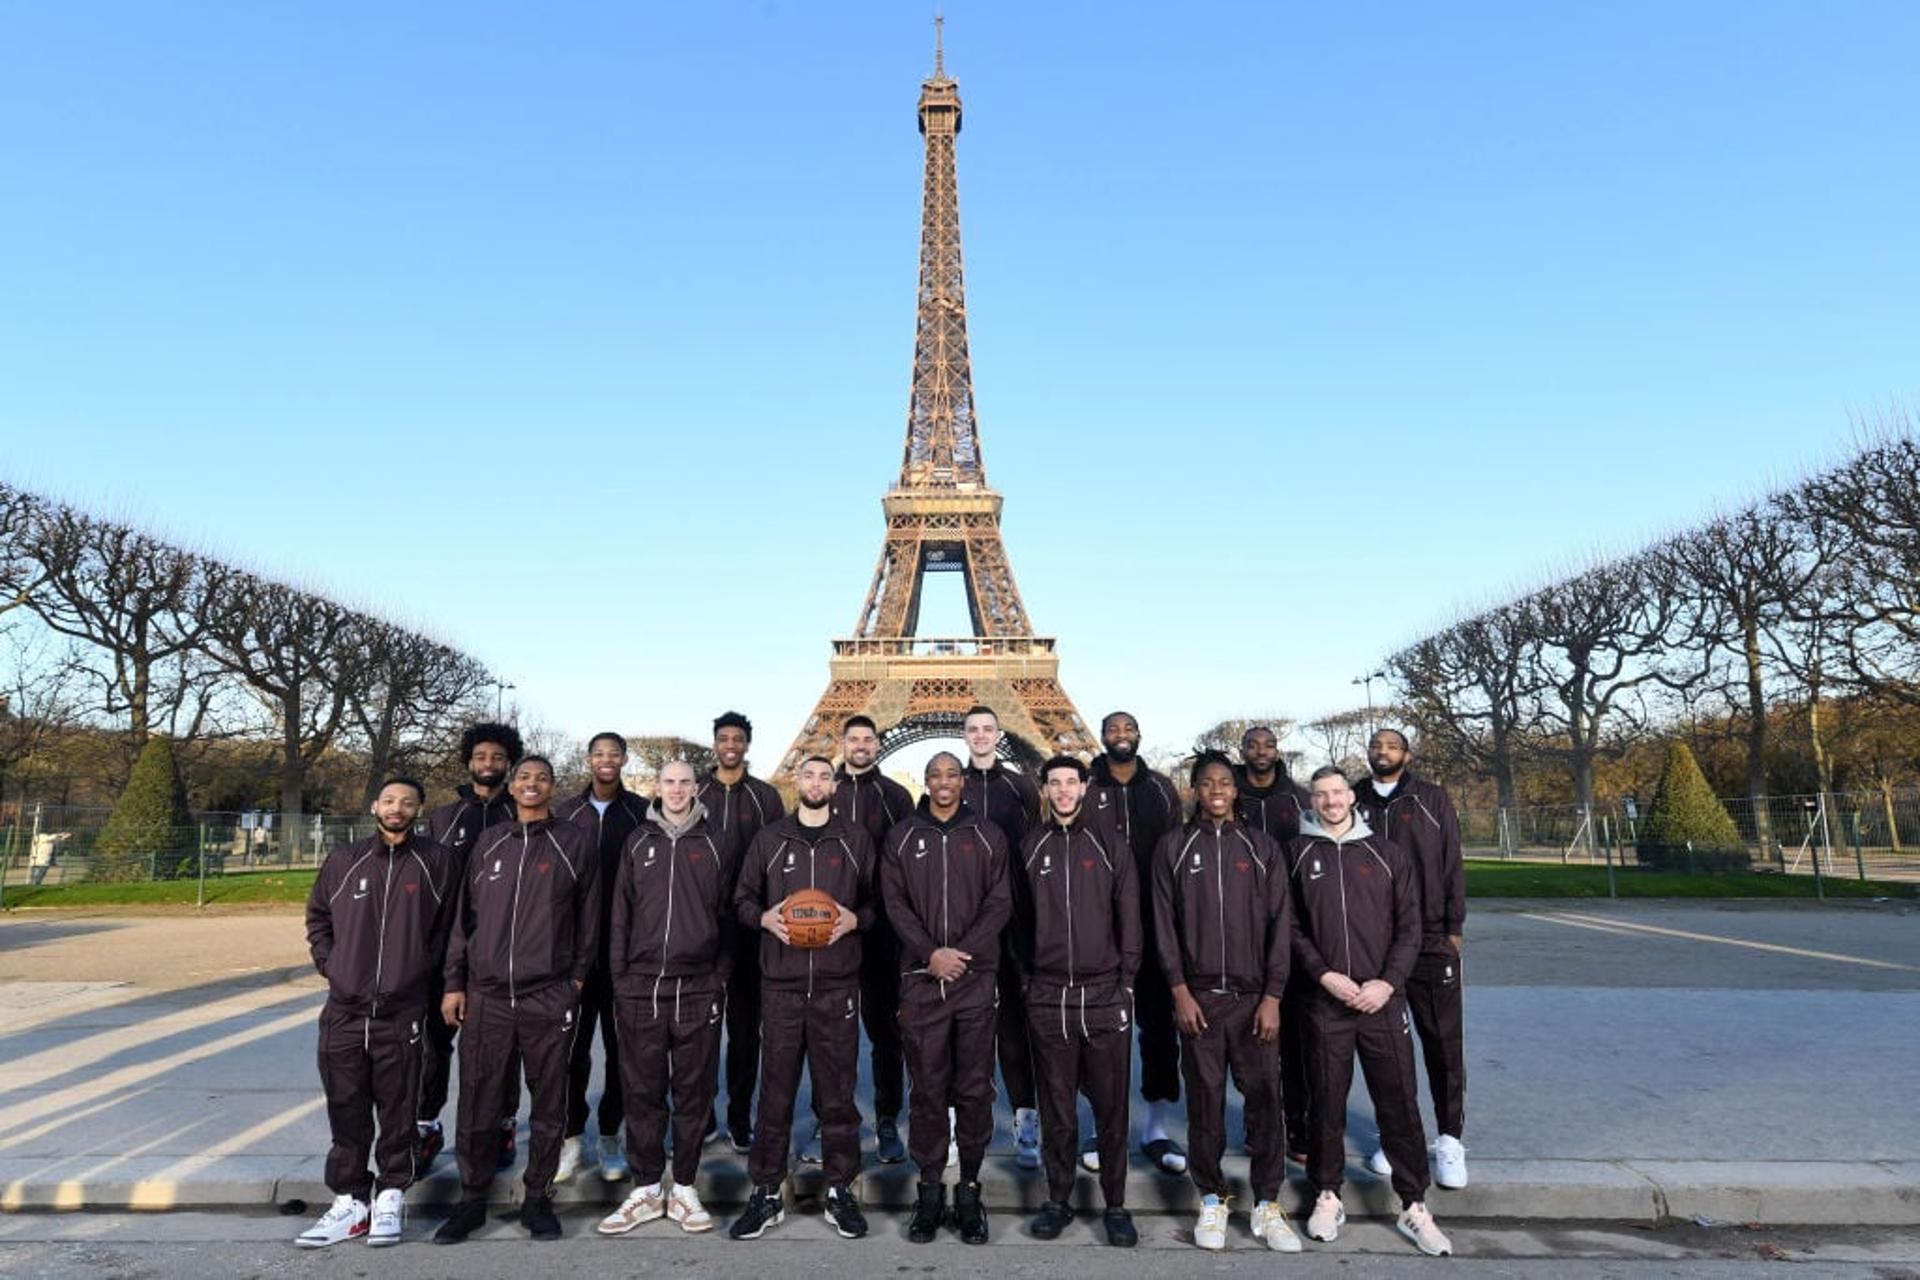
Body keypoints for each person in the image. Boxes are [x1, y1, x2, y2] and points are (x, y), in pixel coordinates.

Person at [434, 757, 601, 1244]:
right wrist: (454, 981)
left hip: (546, 993)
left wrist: (573, 980)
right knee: (478, 1102)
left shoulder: (573, 843)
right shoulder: (490, 842)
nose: (532, 784)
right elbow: (465, 920)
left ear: (552, 787)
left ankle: (537, 1197)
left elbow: (589, 918)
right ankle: (471, 1199)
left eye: (542, 779)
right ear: (512, 785)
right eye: (524, 777)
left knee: (549, 1101)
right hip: (486, 994)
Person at [1290, 766, 1452, 1257]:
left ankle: (1414, 1203)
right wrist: (1324, 975)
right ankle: (1327, 1193)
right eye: (1321, 794)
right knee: (1326, 1102)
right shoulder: (1295, 854)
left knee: (1399, 1101)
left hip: (1382, 1000)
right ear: (1312, 801)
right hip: (1325, 999)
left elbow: (1411, 926)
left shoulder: (1387, 854)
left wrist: (1386, 982)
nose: (1331, 801)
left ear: (1350, 798)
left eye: (1338, 792)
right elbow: (1290, 927)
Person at [297, 778, 456, 1249]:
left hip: (402, 1009)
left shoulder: (437, 862)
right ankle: (351, 1200)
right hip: (344, 1009)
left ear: (419, 809)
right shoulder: (346, 860)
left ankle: (390, 1193)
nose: (397, 808)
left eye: (407, 802)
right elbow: (318, 916)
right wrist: (332, 966)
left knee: (398, 1110)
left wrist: (423, 975)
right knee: (346, 1110)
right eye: (390, 801)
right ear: (375, 806)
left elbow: (448, 930)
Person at [1152, 752, 1298, 1253]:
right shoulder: (1173, 846)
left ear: (1236, 791)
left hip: (1255, 997)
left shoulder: (1261, 848)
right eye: (1207, 782)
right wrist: (1178, 990)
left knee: (1264, 1103)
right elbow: (1162, 927)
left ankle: (1266, 1202)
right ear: (1194, 789)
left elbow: (1282, 925)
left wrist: (1274, 995)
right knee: (1205, 1105)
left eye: (1225, 782)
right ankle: (1211, 1198)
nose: (1216, 789)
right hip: (1199, 1001)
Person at [728, 756, 874, 1242]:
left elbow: (879, 901)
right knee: (775, 1095)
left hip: (836, 986)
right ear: (797, 782)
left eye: (823, 776)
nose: (816, 783)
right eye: (808, 775)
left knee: (838, 1096)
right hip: (782, 985)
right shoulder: (770, 839)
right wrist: (763, 919)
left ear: (835, 785)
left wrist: (857, 920)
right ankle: (767, 1190)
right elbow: (742, 898)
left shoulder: (854, 840)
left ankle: (840, 1188)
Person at [597, 762, 735, 1237]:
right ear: (656, 789)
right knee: (642, 1092)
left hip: (698, 985)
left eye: (684, 783)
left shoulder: (718, 842)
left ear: (697, 790)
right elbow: (620, 914)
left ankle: (687, 1186)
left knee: (695, 1093)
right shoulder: (638, 842)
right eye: (668, 782)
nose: (676, 790)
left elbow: (730, 915)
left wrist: (719, 976)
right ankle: (647, 1186)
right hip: (641, 986)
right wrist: (620, 978)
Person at [883, 752, 1012, 1246]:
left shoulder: (988, 835)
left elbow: (1000, 901)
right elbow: (894, 902)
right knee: (928, 1090)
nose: (943, 782)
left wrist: (961, 955)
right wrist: (929, 953)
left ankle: (971, 1189)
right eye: (935, 775)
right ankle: (931, 1190)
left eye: (951, 775)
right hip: (921, 979)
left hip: (975, 980)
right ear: (927, 780)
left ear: (963, 781)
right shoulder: (901, 836)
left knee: (975, 1090)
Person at [1012, 756, 1140, 1248]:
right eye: (1055, 783)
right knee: (1057, 1107)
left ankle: (1116, 1203)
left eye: (1071, 782)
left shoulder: (1111, 843)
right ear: (1043, 789)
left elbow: (1130, 915)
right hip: (1047, 995)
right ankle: (1058, 1199)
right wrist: (1028, 981)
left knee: (1111, 1110)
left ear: (1085, 787)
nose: (1063, 791)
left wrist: (1125, 982)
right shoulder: (1030, 845)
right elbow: (1017, 923)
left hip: (1104, 993)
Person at [1352, 728, 1469, 1189]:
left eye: (1392, 746)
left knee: (1442, 1044)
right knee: (1389, 1053)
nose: (1383, 751)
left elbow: (1452, 862)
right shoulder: (1354, 798)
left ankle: (1450, 1138)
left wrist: (1453, 928)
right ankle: (1398, 1136)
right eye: (1377, 745)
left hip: (1429, 938)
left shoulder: (1431, 798)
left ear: (1407, 754)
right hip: (1373, 946)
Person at [418, 722, 522, 1170]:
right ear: (469, 761)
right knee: (433, 1044)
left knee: (502, 1047)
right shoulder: (444, 818)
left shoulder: (518, 815)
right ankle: (425, 1125)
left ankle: (501, 1123)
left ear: (508, 764)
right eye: (481, 757)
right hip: (442, 948)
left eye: (497, 758)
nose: (488, 764)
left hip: (498, 949)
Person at [1086, 710, 1185, 1176]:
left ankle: (1156, 1127)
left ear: (1139, 734)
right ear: (1102, 736)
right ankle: (1101, 1125)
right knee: (1098, 1030)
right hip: (1097, 925)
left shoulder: (1162, 788)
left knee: (1159, 1026)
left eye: (1127, 728)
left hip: (1153, 922)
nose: (1120, 735)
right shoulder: (1083, 786)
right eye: (1113, 729)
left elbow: (1180, 854)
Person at [553, 731, 651, 1184]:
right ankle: (572, 1136)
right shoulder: (565, 814)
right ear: (588, 758)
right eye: (599, 753)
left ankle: (611, 1133)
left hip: (623, 950)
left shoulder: (640, 813)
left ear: (625, 760)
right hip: (574, 951)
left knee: (620, 1050)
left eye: (614, 753)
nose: (606, 760)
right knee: (570, 1052)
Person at [959, 705, 1043, 1170]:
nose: (981, 735)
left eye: (988, 728)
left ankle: (1025, 1118)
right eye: (973, 729)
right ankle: (958, 1124)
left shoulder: (1022, 787)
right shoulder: (952, 784)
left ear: (998, 733)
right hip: (962, 924)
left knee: (1013, 1029)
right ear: (965, 735)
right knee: (961, 1028)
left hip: (1013, 923)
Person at [697, 711, 786, 1153]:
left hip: (751, 926)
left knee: (746, 1029)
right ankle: (703, 1113)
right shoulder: (692, 792)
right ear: (715, 743)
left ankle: (738, 1114)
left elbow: (778, 859)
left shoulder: (766, 797)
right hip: (703, 926)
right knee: (700, 1028)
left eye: (738, 738)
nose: (730, 744)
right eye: (724, 738)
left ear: (747, 745)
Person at [829, 714, 913, 1165]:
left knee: (886, 1032)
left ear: (877, 745)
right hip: (831, 931)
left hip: (881, 932)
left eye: (867, 739)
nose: (860, 745)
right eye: (853, 738)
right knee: (833, 1034)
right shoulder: (826, 789)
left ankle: (886, 1117)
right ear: (842, 743)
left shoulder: (897, 797)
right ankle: (836, 1120)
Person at [1233, 724, 1312, 1162]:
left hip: (1294, 925)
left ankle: (1297, 1124)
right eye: (1252, 745)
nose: (1260, 751)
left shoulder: (1299, 799)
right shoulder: (1227, 795)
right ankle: (1259, 1123)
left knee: (1296, 1036)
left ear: (1277, 750)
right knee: (1253, 1042)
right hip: (1242, 930)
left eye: (1268, 744)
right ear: (1241, 750)